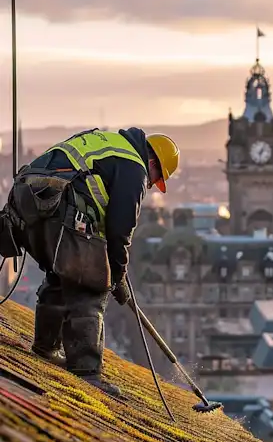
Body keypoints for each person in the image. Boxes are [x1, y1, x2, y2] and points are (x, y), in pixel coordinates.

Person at [4, 127, 179, 397]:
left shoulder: (108, 143)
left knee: (63, 273)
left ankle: (46, 346)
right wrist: (117, 276)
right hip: (55, 205)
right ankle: (87, 371)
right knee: (90, 283)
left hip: (28, 200)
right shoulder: (134, 168)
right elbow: (121, 229)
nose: (152, 185)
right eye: (156, 179)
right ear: (153, 163)